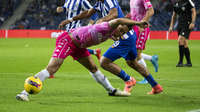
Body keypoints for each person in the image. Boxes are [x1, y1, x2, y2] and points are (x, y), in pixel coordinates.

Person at [61, 0, 163, 95]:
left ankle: (129, 80)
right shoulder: (100, 2)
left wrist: (101, 21)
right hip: (129, 36)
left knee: (104, 62)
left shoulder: (108, 0)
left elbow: (114, 13)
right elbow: (88, 13)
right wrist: (70, 19)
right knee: (133, 63)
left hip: (124, 37)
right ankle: (156, 86)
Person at [15, 18, 149, 101]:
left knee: (93, 68)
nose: (119, 32)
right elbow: (118, 20)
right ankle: (24, 93)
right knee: (52, 68)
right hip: (68, 41)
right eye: (120, 29)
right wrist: (138, 23)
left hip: (80, 46)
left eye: (122, 32)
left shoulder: (112, 34)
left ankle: (111, 91)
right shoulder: (109, 26)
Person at [51, 0, 100, 78]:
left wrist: (90, 24)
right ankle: (95, 52)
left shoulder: (83, 2)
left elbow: (93, 12)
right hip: (67, 30)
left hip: (76, 31)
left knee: (61, 48)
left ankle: (51, 71)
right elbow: (66, 9)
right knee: (75, 49)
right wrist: (61, 9)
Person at [126, 0, 159, 84]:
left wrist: (142, 23)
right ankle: (151, 58)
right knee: (132, 52)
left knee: (137, 54)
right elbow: (135, 11)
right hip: (134, 27)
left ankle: (146, 77)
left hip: (141, 28)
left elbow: (151, 10)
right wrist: (129, 16)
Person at [169, 0, 196, 67]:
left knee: (180, 41)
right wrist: (171, 26)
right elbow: (174, 16)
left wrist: (193, 22)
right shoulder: (176, 4)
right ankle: (189, 62)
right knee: (184, 44)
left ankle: (180, 62)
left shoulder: (187, 1)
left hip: (187, 24)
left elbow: (194, 11)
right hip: (180, 25)